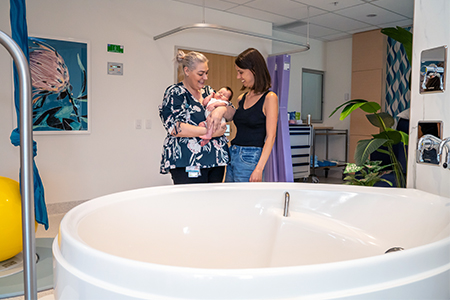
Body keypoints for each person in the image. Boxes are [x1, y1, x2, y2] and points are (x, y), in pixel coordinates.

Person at [159, 50, 234, 184]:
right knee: (191, 203)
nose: (205, 77)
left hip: (216, 160)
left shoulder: (208, 91)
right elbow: (175, 128)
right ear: (187, 71)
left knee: (212, 203)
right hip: (187, 161)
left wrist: (220, 110)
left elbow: (232, 112)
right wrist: (210, 132)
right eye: (200, 73)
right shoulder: (175, 92)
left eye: (206, 73)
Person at [225, 48, 279, 182]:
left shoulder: (269, 98)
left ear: (254, 69)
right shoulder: (241, 98)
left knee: (245, 200)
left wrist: (259, 168)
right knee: (230, 198)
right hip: (233, 153)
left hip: (250, 158)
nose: (238, 77)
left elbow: (271, 137)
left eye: (241, 72)